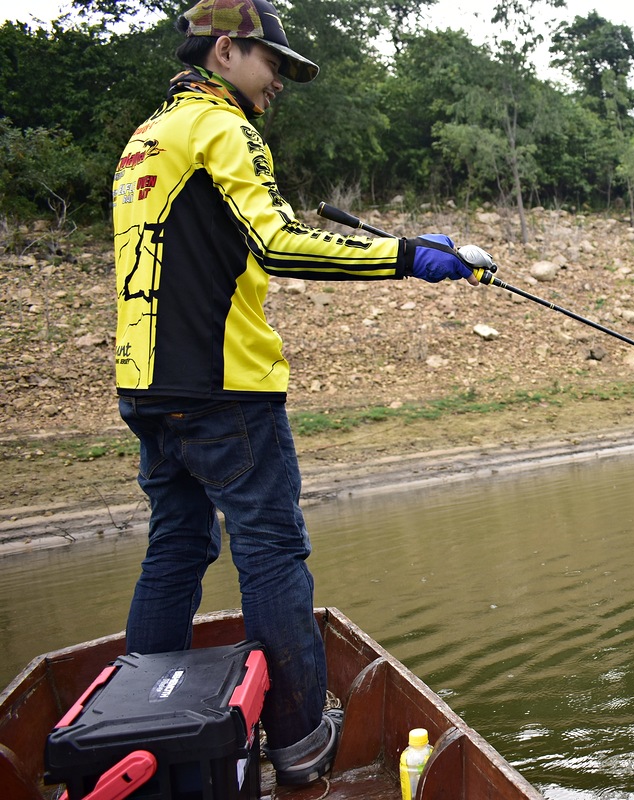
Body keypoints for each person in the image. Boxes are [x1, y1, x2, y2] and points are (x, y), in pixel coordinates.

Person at [110, 0, 493, 786]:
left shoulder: (143, 140)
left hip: (147, 391)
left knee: (176, 548)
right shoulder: (220, 126)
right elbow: (276, 240)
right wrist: (409, 256)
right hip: (226, 394)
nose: (279, 79)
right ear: (224, 52)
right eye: (271, 62)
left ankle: (129, 728)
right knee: (272, 551)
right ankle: (298, 742)